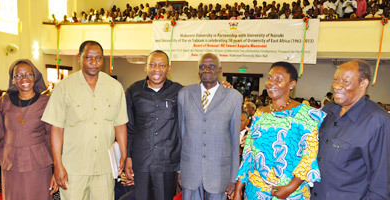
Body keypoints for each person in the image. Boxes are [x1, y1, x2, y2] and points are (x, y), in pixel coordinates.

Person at [41, 40, 128, 200]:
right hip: (73, 168)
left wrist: (123, 153)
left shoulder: (115, 88)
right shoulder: (64, 88)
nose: (94, 63)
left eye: (98, 58)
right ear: (79, 57)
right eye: (89, 58)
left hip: (104, 167)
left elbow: (120, 124)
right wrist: (58, 165)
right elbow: (57, 129)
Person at [233, 62, 326, 200]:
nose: (271, 83)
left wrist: (290, 188)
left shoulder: (306, 115)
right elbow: (248, 152)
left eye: (278, 79)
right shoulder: (260, 113)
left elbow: (309, 156)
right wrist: (238, 188)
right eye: (269, 78)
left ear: (292, 84)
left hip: (290, 192)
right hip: (255, 191)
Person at [311, 60, 390, 200]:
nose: (336, 86)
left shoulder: (376, 121)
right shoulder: (328, 111)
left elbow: (381, 182)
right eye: (335, 80)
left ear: (363, 84)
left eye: (345, 81)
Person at [0, 59, 58, 200]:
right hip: (10, 166)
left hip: (38, 166)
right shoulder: (3, 102)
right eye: (18, 75)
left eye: (28, 74)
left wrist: (57, 171)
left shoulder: (46, 102)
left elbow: (53, 137)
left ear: (35, 77)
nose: (24, 79)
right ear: (13, 79)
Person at [178, 53, 242, 200]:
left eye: (211, 66)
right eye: (202, 67)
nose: (207, 69)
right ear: (198, 70)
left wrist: (233, 177)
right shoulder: (184, 94)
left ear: (219, 69)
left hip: (219, 172)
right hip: (190, 169)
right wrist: (180, 169)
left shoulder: (234, 97)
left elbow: (234, 141)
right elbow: (181, 135)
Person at [125, 50, 182, 200]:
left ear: (168, 69)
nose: (157, 69)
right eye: (152, 65)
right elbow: (129, 128)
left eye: (162, 65)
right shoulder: (134, 91)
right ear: (146, 67)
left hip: (167, 160)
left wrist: (222, 87)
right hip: (141, 160)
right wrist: (128, 157)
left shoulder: (179, 91)